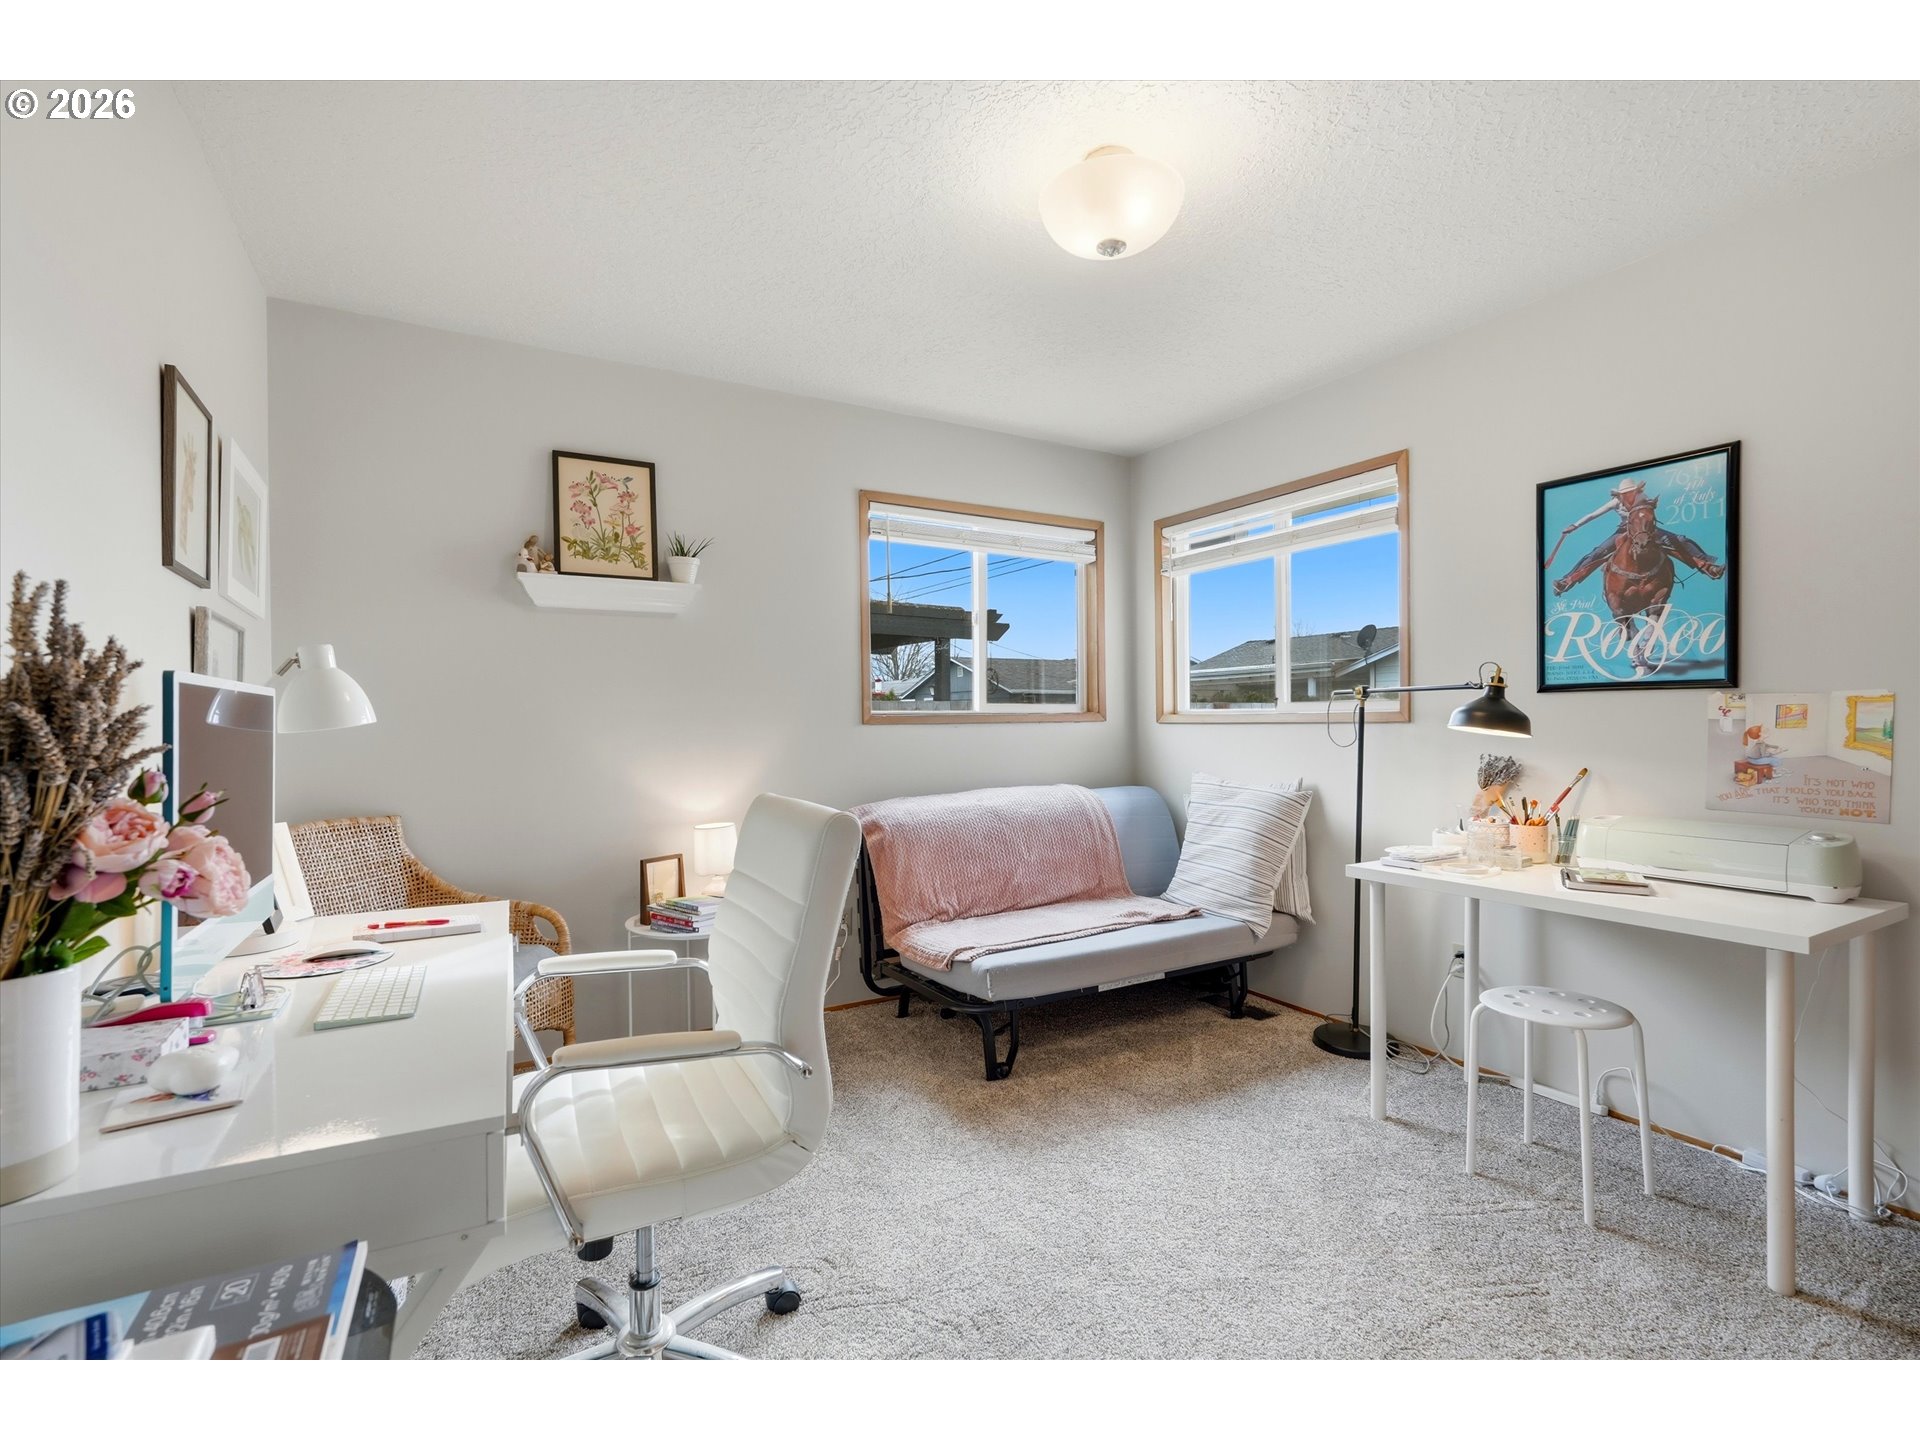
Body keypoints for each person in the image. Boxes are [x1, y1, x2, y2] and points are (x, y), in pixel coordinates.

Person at [1549, 476, 1725, 596]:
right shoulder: (1615, 502)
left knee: (1679, 540)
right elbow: (1594, 514)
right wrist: (1575, 526)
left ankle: (1707, 567)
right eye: (1625, 493)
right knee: (1597, 553)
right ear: (1620, 494)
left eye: (1631, 491)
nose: (1629, 495)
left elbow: (1646, 514)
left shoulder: (1642, 496)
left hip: (1644, 529)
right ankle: (1567, 581)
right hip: (1623, 531)